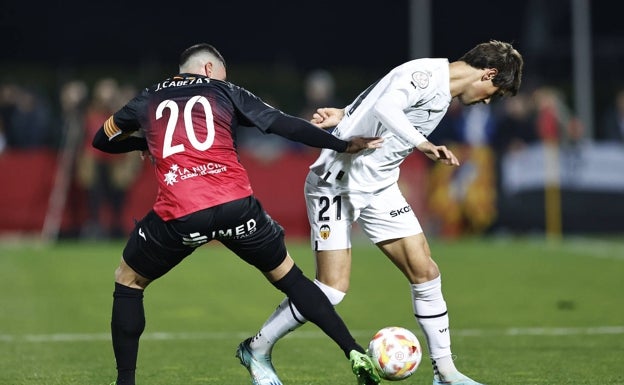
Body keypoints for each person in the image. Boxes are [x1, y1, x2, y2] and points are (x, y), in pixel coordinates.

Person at [91, 43, 384, 385]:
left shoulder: (147, 98)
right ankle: (353, 350)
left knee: (128, 279)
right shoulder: (224, 90)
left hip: (182, 213)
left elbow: (102, 139)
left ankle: (125, 381)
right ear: (210, 70)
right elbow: (283, 125)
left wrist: (142, 143)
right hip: (236, 207)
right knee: (292, 280)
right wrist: (342, 144)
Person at [240, 40, 524, 385]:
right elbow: (388, 105)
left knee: (425, 270)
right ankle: (256, 349)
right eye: (495, 92)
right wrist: (422, 144)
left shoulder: (432, 80)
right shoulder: (425, 77)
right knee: (332, 289)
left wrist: (345, 113)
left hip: (380, 185)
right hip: (337, 182)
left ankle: (446, 373)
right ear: (489, 74)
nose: (488, 100)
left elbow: (376, 95)